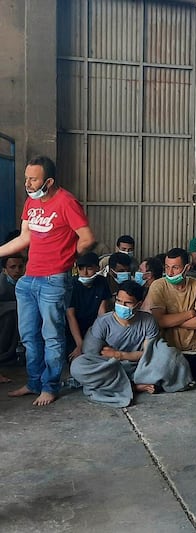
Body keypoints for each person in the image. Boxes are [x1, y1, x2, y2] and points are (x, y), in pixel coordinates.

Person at [0, 155, 95, 406]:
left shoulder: (67, 202)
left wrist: (66, 258)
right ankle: (34, 382)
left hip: (53, 280)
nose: (28, 184)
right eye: (26, 178)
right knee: (29, 336)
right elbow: (24, 238)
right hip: (29, 279)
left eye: (33, 179)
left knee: (52, 336)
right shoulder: (31, 203)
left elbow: (87, 238)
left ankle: (50, 386)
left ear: (49, 181)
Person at [70, 280, 192, 407]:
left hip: (139, 368)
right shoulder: (103, 322)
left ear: (138, 305)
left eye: (127, 303)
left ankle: (122, 385)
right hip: (108, 368)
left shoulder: (148, 321)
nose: (121, 306)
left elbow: (148, 353)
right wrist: (113, 359)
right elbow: (91, 353)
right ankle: (133, 386)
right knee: (78, 366)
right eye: (118, 301)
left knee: (168, 354)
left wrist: (120, 355)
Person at [144, 247, 196, 385]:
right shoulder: (158, 286)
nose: (169, 272)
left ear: (187, 268)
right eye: (167, 267)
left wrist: (172, 319)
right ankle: (183, 375)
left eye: (175, 267)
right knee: (161, 371)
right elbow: (160, 321)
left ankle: (182, 375)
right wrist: (189, 314)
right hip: (168, 350)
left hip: (195, 349)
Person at [66, 252, 111, 359]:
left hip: (94, 328)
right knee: (76, 358)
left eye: (89, 268)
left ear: (97, 268)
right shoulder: (71, 285)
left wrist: (102, 337)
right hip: (72, 331)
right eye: (81, 269)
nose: (85, 272)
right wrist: (80, 344)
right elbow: (70, 316)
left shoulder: (102, 282)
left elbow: (102, 313)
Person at [0, 255, 25, 369]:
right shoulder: (1, 284)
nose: (17, 270)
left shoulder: (26, 282)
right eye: (13, 267)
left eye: (20, 267)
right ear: (4, 269)